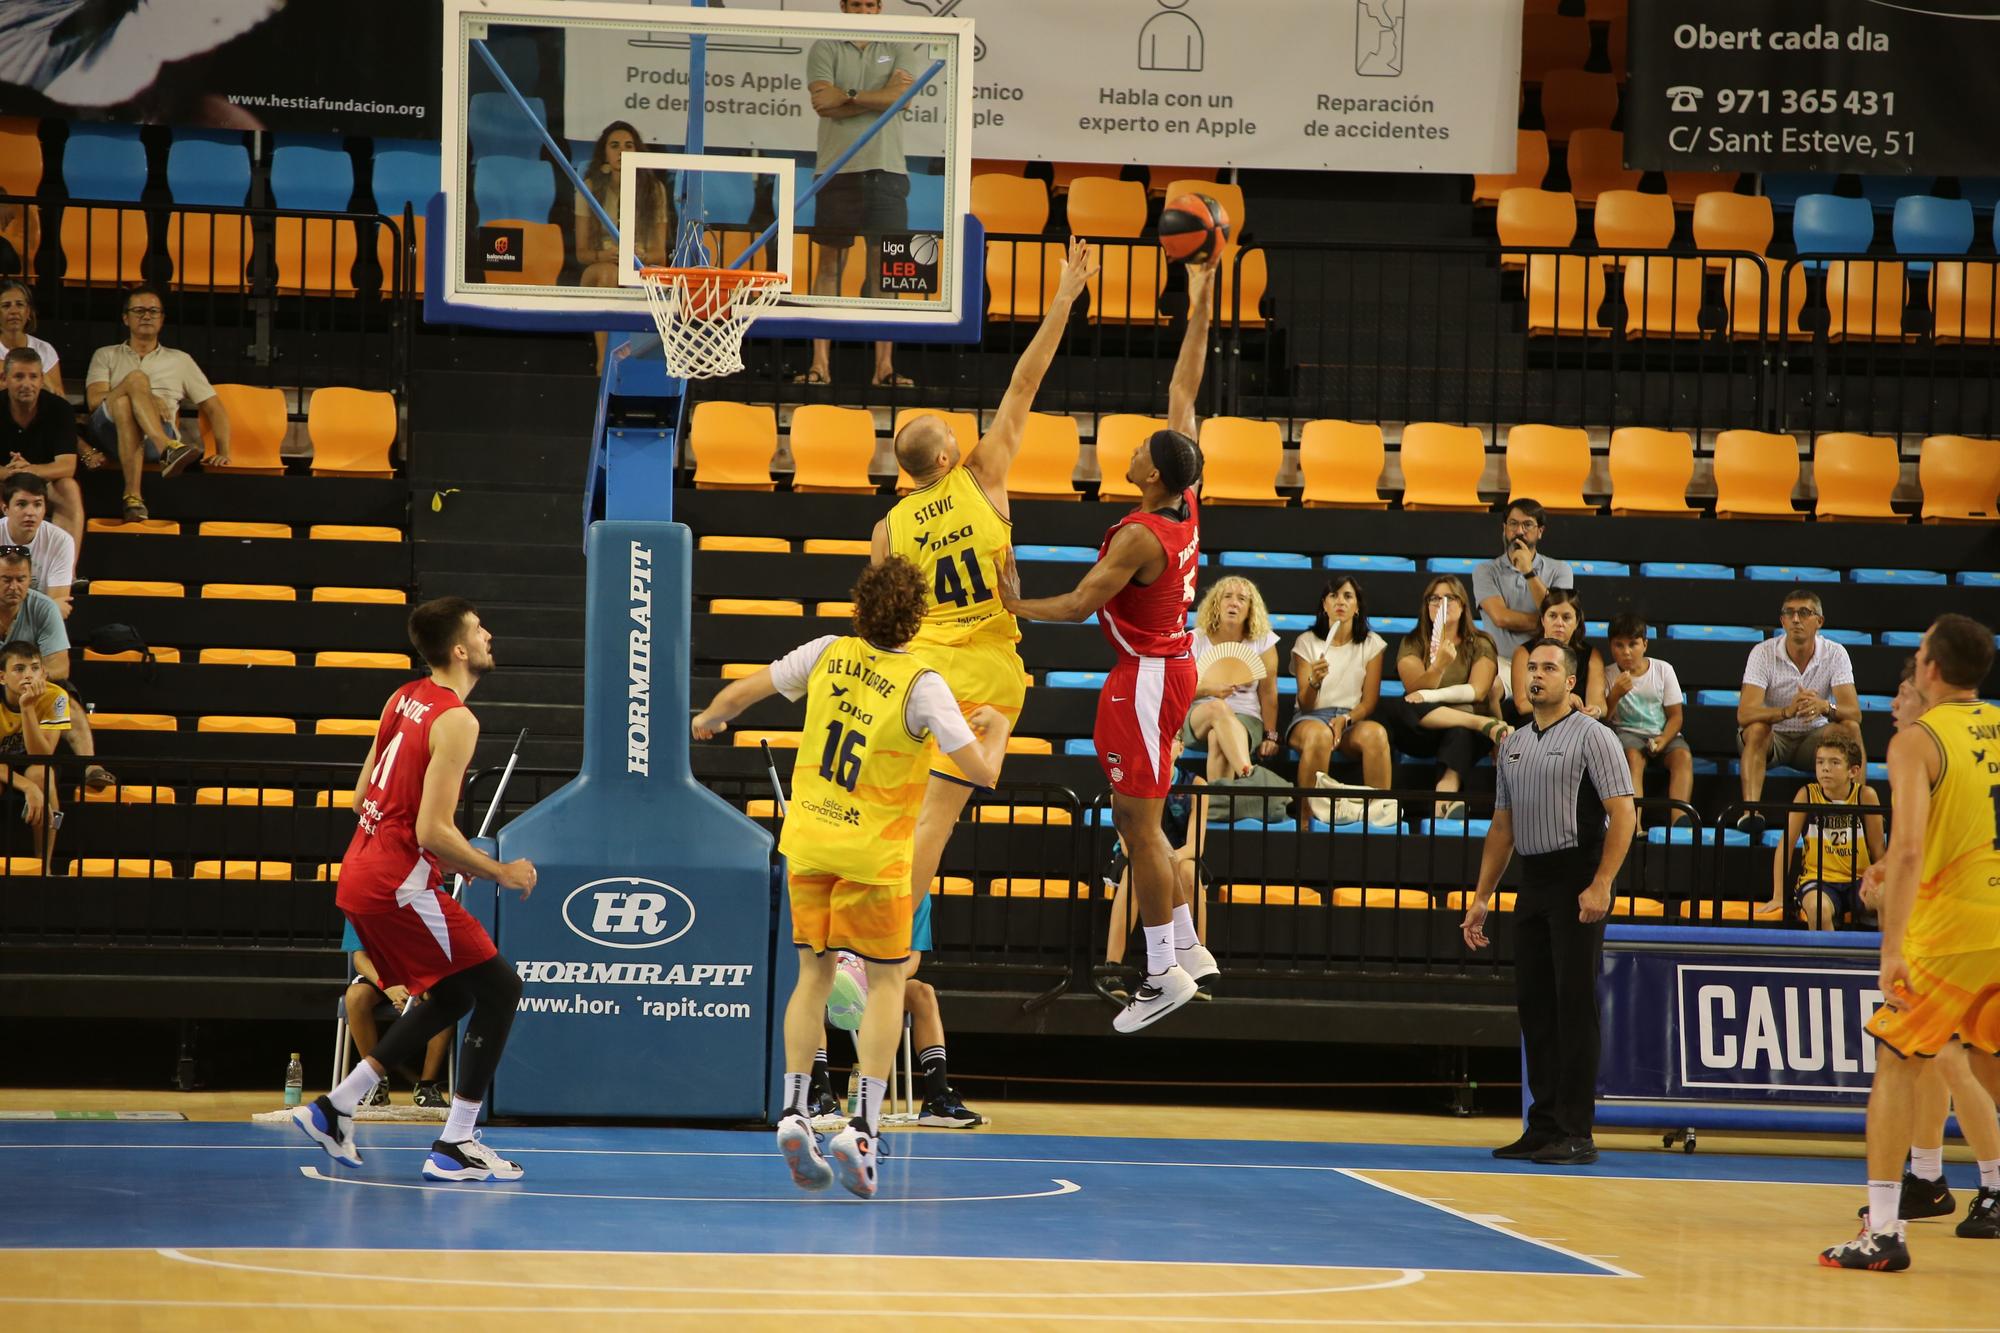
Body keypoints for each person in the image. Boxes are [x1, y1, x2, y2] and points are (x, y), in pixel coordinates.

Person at [690, 557, 1011, 1199]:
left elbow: (743, 691)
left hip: (809, 840)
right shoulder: (923, 683)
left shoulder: (826, 651)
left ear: (859, 607)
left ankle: (791, 1109)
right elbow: (980, 772)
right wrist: (996, 731)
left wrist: (709, 718)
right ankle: (861, 1124)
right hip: (873, 855)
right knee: (888, 981)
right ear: (917, 619)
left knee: (813, 975)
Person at [870, 237, 1093, 1130]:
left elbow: (874, 611)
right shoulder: (987, 474)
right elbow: (1027, 382)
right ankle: (887, 948)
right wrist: (1068, 294)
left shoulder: (889, 526)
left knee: (911, 814)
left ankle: (872, 943)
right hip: (989, 668)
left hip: (918, 670)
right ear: (953, 450)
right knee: (946, 814)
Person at [994, 255, 1221, 1034]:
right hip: (1168, 664)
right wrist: (1199, 304)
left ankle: (1159, 971)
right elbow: (1184, 393)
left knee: (1139, 823)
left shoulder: (1138, 533)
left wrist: (1013, 601)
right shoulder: (1185, 494)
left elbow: (1082, 601)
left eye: (1138, 453)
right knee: (1143, 820)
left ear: (1154, 478)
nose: (1128, 452)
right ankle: (1187, 946)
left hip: (1150, 674)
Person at [293, 597, 539, 1184]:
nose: (488, 636)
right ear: (459, 650)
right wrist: (501, 871)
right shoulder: (457, 719)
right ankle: (456, 1142)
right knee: (502, 988)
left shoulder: (401, 697)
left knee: (455, 996)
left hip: (360, 874)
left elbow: (360, 800)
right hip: (399, 884)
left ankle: (336, 1106)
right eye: (480, 630)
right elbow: (432, 829)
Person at [1820, 614, 2000, 1270]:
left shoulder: (1916, 741)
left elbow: (1913, 844)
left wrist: (1890, 945)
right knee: (1980, 1063)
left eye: (1919, 653)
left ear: (1930, 668)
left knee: (1897, 1062)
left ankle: (1886, 1229)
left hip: (1948, 931)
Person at [1462, 637, 1636, 1166]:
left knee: (1573, 1004)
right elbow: (1502, 826)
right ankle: (1542, 1124)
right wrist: (1481, 897)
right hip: (1533, 880)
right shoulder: (1512, 744)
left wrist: (1603, 882)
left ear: (1571, 681)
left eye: (1548, 667)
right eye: (1531, 666)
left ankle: (1576, 1130)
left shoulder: (1594, 736)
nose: (1536, 675)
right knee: (1535, 1006)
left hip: (1577, 874)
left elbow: (1624, 814)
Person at [798, 0, 924, 389]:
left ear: (880, 8)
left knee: (884, 270)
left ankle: (884, 368)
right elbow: (823, 103)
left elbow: (899, 99)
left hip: (887, 171)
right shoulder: (826, 46)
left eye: (870, 5)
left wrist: (848, 97)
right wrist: (877, 96)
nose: (863, 11)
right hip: (837, 169)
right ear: (844, 7)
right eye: (856, 5)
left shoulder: (900, 44)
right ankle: (821, 365)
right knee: (829, 267)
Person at [85, 286, 228, 523]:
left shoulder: (180, 360)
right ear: (125, 318)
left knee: (124, 405)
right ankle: (168, 449)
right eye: (139, 311)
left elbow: (214, 407)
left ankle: (133, 497)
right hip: (108, 433)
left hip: (154, 435)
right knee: (133, 383)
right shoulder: (106, 354)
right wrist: (144, 394)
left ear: (162, 319)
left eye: (153, 311)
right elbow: (93, 402)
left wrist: (224, 451)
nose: (147, 316)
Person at [1734, 588, 1861, 834]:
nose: (1795, 619)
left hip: (1813, 741)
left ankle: (1856, 810)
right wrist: (1786, 712)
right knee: (1757, 728)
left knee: (1850, 727)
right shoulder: (1763, 653)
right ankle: (1750, 811)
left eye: (1804, 613)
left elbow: (1854, 712)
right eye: (1789, 613)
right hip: (1774, 739)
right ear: (1782, 621)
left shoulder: (1836, 653)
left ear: (1819, 621)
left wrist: (1826, 707)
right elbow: (1745, 714)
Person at [1393, 574, 1510, 820]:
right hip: (1425, 729)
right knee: (1407, 703)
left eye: (1449, 597)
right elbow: (1415, 691)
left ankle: (1443, 802)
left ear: (1463, 604)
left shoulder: (1480, 642)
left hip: (1465, 730)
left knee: (1459, 731)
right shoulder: (1413, 641)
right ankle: (1482, 724)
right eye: (1434, 599)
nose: (1441, 604)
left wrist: (1445, 700)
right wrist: (1437, 668)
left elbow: (1477, 691)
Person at [1102, 734, 1208, 995]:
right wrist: (1159, 865)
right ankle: (1111, 970)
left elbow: (1195, 846)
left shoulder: (1196, 785)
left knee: (1189, 872)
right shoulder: (1127, 782)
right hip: (1136, 856)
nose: (1165, 745)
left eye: (1171, 740)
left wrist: (1166, 864)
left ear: (1181, 748)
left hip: (1179, 857)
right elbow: (1129, 846)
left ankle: (1197, 970)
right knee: (1137, 873)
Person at [0, 544, 107, 791]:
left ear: (30, 580)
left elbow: (60, 667)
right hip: (5, 682)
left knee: (63, 696)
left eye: (21, 579)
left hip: (29, 685)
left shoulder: (44, 607)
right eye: (6, 579)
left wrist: (27, 679)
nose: (14, 587)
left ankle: (89, 765)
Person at [574, 121, 670, 373]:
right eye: (614, 145)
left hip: (641, 267)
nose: (621, 151)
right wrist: (605, 254)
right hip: (600, 265)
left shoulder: (655, 190)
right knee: (608, 274)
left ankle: (636, 361)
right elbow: (582, 254)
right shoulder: (590, 188)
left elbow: (660, 254)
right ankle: (604, 361)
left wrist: (640, 255)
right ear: (604, 152)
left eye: (629, 145)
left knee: (647, 280)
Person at [1762, 732, 1883, 930]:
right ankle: (1828, 961)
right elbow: (1786, 845)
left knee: (1887, 900)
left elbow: (1878, 848)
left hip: (1860, 880)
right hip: (1818, 881)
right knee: (1819, 909)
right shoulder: (1807, 795)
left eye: (1834, 762)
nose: (1825, 768)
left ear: (1853, 771)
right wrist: (1778, 896)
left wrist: (1882, 886)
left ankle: (1888, 958)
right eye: (1820, 762)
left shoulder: (1865, 795)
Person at [1287, 575, 1393, 796]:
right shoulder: (1306, 642)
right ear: (1325, 605)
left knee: (1377, 734)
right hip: (1311, 718)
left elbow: (1369, 701)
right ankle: (1307, 822)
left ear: (1357, 607)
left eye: (1348, 596)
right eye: (1333, 596)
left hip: (1350, 720)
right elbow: (1305, 705)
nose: (1340, 602)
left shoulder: (1372, 643)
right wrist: (1315, 682)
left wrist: (1346, 719)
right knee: (1320, 736)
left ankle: (1379, 817)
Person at [341, 920, 449, 1109]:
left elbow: (433, 954)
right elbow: (360, 960)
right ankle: (375, 1082)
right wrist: (390, 987)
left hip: (419, 973)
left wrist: (414, 990)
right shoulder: (359, 899)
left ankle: (426, 1086)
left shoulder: (421, 896)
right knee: (355, 997)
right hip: (380, 975)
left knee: (448, 999)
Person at [1184, 576, 1280, 781]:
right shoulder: (1196, 639)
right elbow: (1179, 691)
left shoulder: (1263, 642)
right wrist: (1210, 690)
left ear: (1250, 609)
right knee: (1217, 708)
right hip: (1199, 716)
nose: (1234, 603)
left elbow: (1268, 692)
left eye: (1242, 599)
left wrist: (1270, 735)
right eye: (1227, 596)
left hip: (1246, 718)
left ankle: (1217, 808)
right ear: (1216, 603)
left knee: (1218, 737)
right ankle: (1250, 775)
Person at [1603, 612, 1691, 830]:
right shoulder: (1608, 674)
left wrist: (1663, 739)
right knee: (1632, 757)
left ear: (1645, 644)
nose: (1626, 652)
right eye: (1619, 645)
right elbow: (1604, 717)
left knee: (1682, 756)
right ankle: (1634, 824)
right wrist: (1615, 694)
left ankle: (1680, 820)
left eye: (1633, 644)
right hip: (1627, 733)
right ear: (1611, 646)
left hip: (1663, 733)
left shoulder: (1663, 669)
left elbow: (1676, 716)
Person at [0, 346, 84, 556]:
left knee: (69, 488)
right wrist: (6, 473)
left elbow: (67, 466)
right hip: (3, 479)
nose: (26, 384)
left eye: (33, 377)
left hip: (43, 483)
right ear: (5, 378)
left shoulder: (60, 409)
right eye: (19, 376)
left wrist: (28, 470)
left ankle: (66, 573)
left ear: (42, 379)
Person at [1473, 499, 1574, 672]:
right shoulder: (1485, 570)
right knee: (1492, 686)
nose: (1519, 531)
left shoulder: (1561, 570)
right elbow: (1500, 618)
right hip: (1500, 662)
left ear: (1540, 531)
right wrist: (1546, 622)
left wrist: (1528, 572)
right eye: (1513, 524)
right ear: (1504, 529)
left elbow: (1558, 614)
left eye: (1528, 524)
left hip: (1548, 662)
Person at [0, 638, 64, 864]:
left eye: (35, 668)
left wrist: (27, 708)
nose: (28, 675)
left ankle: (44, 864)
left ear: (44, 674)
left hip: (34, 763)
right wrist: (28, 788)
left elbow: (43, 757)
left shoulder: (57, 697)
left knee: (43, 776)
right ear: (2, 677)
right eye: (19, 669)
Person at [1505, 589, 1603, 726]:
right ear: (1543, 620)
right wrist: (1564, 701)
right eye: (1552, 616)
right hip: (1536, 720)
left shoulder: (1592, 655)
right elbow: (1522, 704)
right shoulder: (1524, 653)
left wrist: (1595, 710)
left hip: (1577, 721)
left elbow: (1599, 704)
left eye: (1566, 617)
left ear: (1576, 622)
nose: (1559, 623)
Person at [2, 474, 72, 616]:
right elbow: (52, 608)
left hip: (38, 629)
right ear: (5, 509)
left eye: (37, 504)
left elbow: (59, 608)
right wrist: (47, 608)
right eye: (21, 504)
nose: (30, 512)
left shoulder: (61, 541)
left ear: (45, 509)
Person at [0, 280, 65, 397]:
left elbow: (60, 399)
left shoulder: (44, 349)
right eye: (6, 305)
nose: (14, 311)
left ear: (28, 312)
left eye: (19, 304)